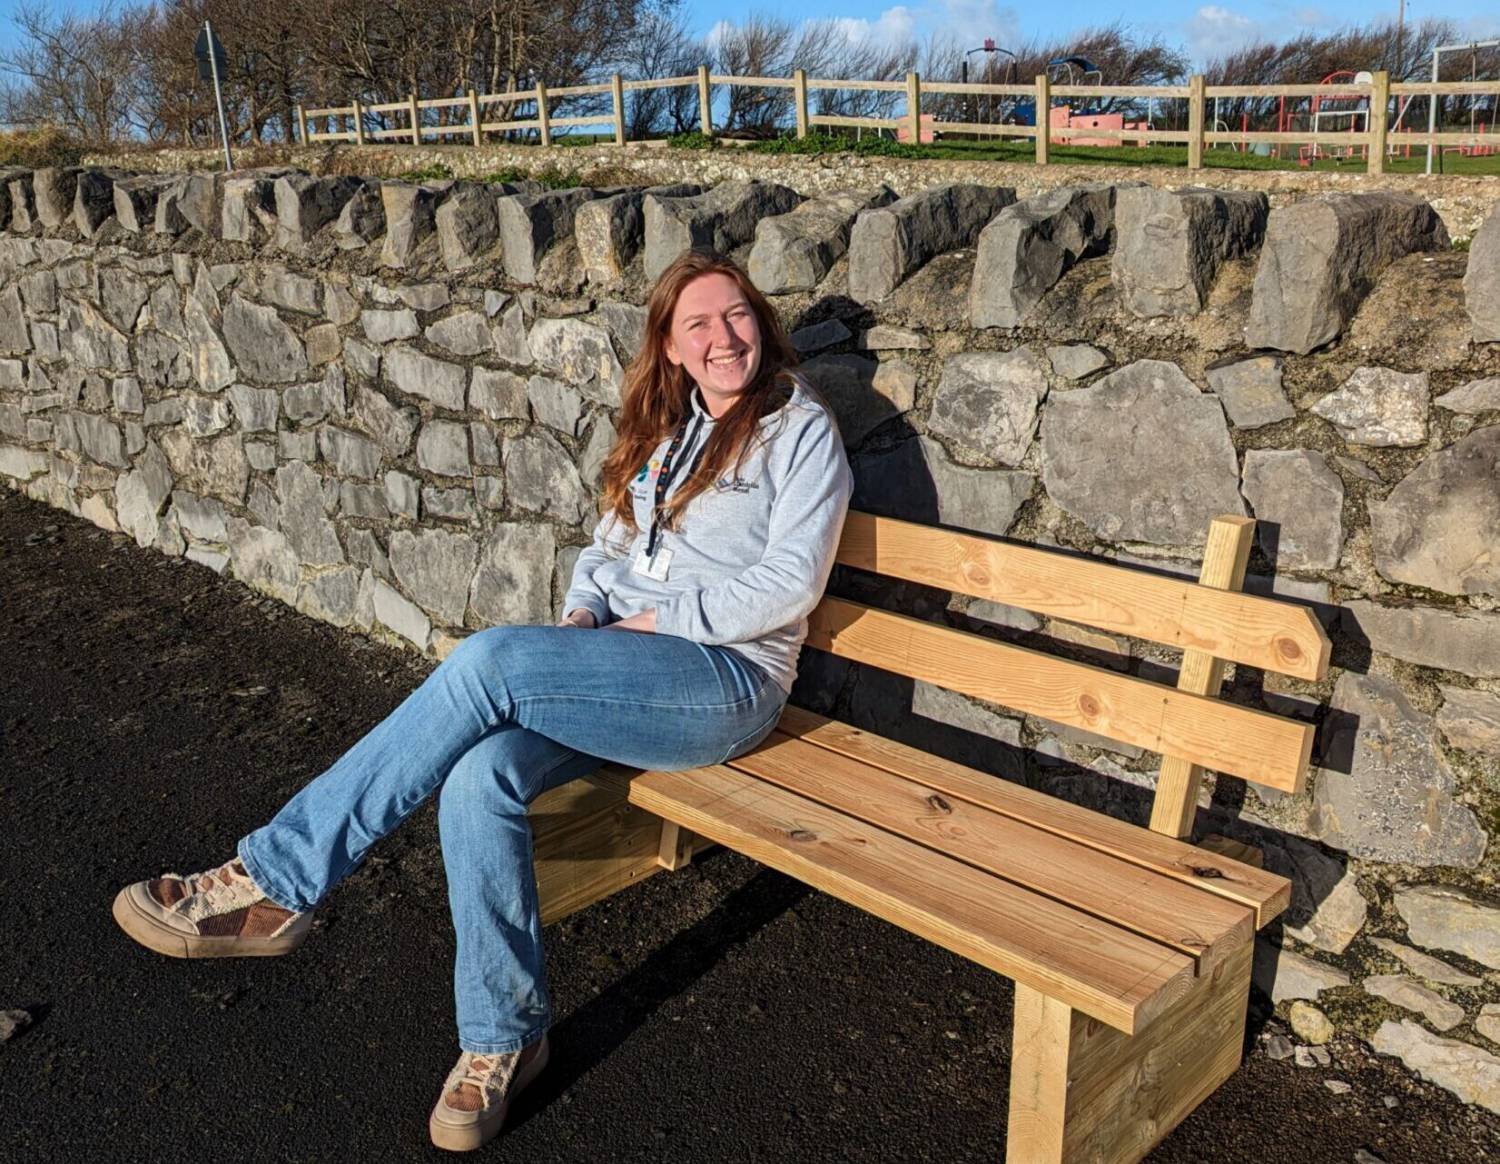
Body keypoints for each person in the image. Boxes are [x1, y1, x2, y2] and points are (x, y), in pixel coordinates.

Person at [111, 249, 854, 1153]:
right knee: (480, 774)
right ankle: (504, 1037)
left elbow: (789, 585)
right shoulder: (670, 432)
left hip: (724, 683)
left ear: (760, 321)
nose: (722, 337)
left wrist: (655, 623)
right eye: (697, 324)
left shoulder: (798, 429)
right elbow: (609, 546)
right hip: (628, 673)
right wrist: (587, 611)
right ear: (669, 346)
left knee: (491, 661)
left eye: (735, 315)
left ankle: (275, 878)